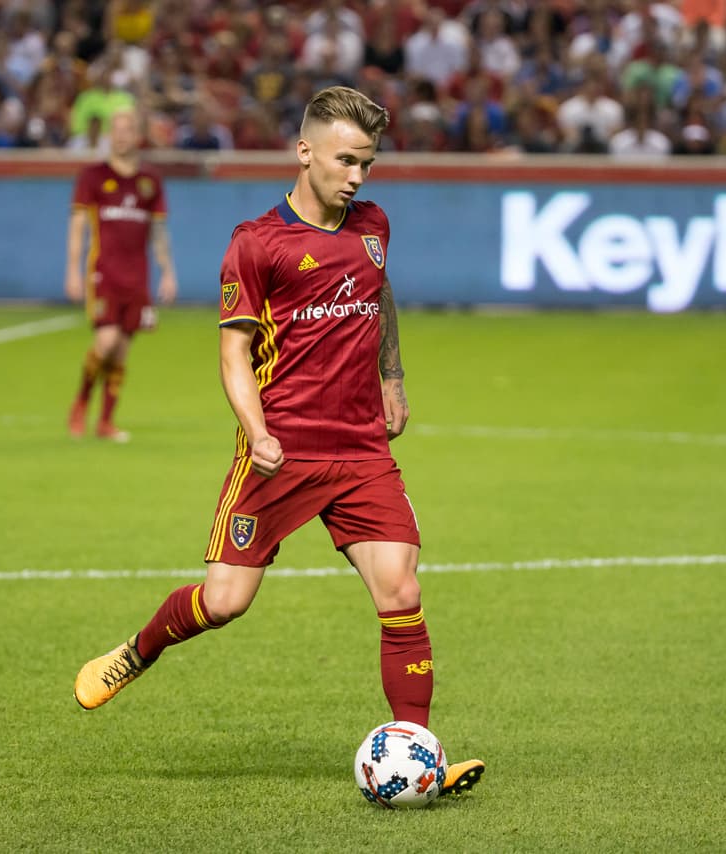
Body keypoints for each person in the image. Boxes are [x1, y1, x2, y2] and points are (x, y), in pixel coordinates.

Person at [73, 85, 485, 798]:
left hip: (360, 450)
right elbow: (234, 354)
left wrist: (393, 374)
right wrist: (256, 430)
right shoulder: (257, 242)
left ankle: (420, 750)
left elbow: (378, 293)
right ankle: (138, 652)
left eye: (368, 163)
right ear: (304, 152)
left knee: (401, 590)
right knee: (225, 602)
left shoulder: (374, 225)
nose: (357, 176)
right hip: (282, 447)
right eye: (345, 159)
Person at [64, 108, 177, 442]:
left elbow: (158, 230)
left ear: (138, 135)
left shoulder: (150, 181)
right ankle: (82, 401)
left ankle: (106, 421)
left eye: (128, 128)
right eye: (117, 129)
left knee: (123, 349)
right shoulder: (93, 176)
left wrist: (167, 272)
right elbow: (78, 226)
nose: (122, 134)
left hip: (137, 276)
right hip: (103, 273)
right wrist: (72, 270)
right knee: (106, 341)